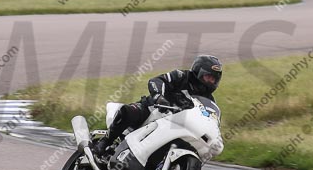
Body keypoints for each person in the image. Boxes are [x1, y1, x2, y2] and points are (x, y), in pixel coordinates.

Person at [93, 54, 223, 159]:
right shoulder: (182, 76)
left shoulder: (210, 101)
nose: (211, 81)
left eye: (214, 79)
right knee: (127, 112)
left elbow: (211, 120)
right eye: (208, 76)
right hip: (154, 109)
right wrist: (158, 96)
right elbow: (157, 81)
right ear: (197, 71)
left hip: (174, 125)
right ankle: (105, 142)